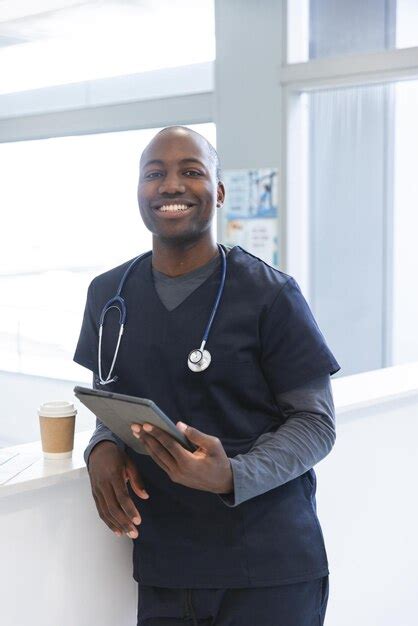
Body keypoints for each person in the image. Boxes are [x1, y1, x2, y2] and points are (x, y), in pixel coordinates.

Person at [74, 126, 340, 626]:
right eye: (155, 174)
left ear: (218, 192)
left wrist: (232, 475)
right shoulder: (108, 295)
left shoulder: (270, 294)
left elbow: (315, 423)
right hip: (166, 564)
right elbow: (109, 399)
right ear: (139, 192)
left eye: (190, 172)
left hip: (268, 565)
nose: (170, 185)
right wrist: (103, 447)